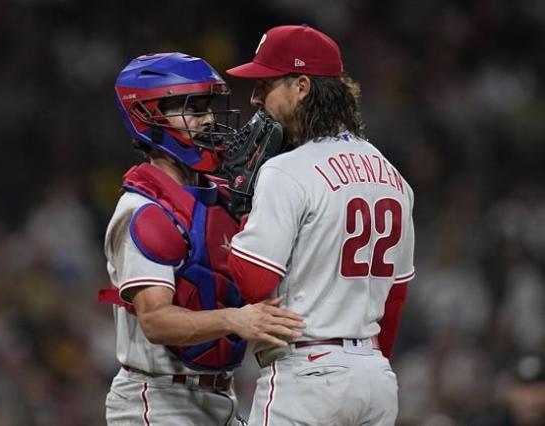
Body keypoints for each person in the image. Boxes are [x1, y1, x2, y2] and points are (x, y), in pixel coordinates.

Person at [99, 52, 305, 426]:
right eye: (192, 109)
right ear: (149, 115)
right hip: (158, 401)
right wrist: (235, 319)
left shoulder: (221, 196)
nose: (208, 119)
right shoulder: (142, 211)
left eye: (208, 106)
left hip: (219, 399)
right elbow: (156, 320)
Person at [225, 25, 416, 425]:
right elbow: (394, 299)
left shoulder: (285, 170)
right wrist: (365, 363)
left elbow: (255, 282)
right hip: (375, 378)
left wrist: (242, 210)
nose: (257, 98)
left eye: (265, 83)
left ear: (301, 86)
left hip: (307, 373)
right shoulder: (393, 177)